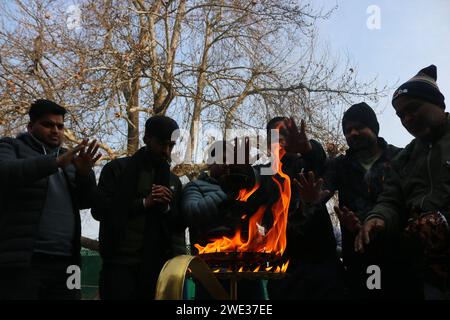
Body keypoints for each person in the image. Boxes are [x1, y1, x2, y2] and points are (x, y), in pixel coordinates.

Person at [355, 65, 450, 299]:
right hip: (432, 274)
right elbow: (390, 200)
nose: (407, 118)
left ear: (439, 104)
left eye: (413, 108)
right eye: (400, 115)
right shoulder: (403, 159)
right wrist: (377, 219)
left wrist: (445, 221)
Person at [297, 102, 403, 299]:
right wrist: (312, 199)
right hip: (359, 255)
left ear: (374, 128)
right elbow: (322, 191)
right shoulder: (340, 165)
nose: (352, 133)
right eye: (347, 130)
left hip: (400, 253)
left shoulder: (400, 157)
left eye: (359, 127)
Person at [0, 99, 100, 300]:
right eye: (48, 124)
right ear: (30, 126)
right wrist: (53, 163)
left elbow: (88, 202)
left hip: (67, 262)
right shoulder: (11, 147)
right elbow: (5, 173)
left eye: (60, 126)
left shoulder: (70, 159)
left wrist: (84, 174)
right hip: (25, 261)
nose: (55, 130)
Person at [92, 115, 183, 300]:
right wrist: (144, 203)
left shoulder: (173, 181)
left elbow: (177, 225)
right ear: (146, 139)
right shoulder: (116, 169)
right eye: (161, 144)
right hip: (119, 265)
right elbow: (100, 210)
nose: (166, 151)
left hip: (157, 268)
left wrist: (165, 207)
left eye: (171, 146)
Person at [263, 117, 343, 299]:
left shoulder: (307, 162)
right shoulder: (263, 177)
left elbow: (319, 162)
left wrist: (307, 150)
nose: (283, 140)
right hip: (285, 272)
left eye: (287, 134)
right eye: (277, 137)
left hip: (323, 266)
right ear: (269, 145)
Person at [182, 140, 265, 299]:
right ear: (210, 163)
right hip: (211, 271)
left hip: (247, 271)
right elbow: (192, 212)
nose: (227, 165)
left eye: (231, 161)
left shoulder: (245, 188)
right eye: (222, 160)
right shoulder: (196, 186)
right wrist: (225, 193)